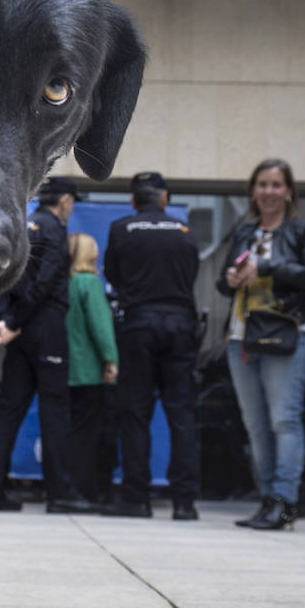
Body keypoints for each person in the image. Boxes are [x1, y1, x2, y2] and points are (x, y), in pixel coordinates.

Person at [0, 178, 96, 514]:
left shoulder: (19, 225)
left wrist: (5, 320)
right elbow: (44, 282)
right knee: (55, 410)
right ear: (66, 201)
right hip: (44, 327)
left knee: (9, 411)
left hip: (19, 329)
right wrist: (15, 323)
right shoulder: (53, 228)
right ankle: (60, 494)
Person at [217, 159, 305, 530]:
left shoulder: (302, 230)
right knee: (256, 425)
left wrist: (268, 268)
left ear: (289, 191)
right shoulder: (244, 232)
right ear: (252, 191)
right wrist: (231, 278)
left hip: (286, 336)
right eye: (262, 184)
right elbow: (221, 284)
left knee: (284, 419)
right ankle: (266, 501)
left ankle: (285, 501)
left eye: (276, 184)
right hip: (242, 337)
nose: (268, 191)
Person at [102, 172, 202, 520]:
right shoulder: (185, 233)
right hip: (180, 323)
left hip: (139, 324)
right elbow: (191, 274)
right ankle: (185, 504)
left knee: (135, 414)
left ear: (133, 201)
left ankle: (136, 499)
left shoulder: (121, 228)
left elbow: (113, 275)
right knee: (181, 415)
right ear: (164, 199)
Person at [65, 233, 119, 503]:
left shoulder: (65, 283)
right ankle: (86, 489)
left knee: (71, 431)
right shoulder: (89, 283)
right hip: (89, 369)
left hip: (67, 369)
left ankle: (69, 486)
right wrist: (110, 359)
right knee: (89, 434)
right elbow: (101, 326)